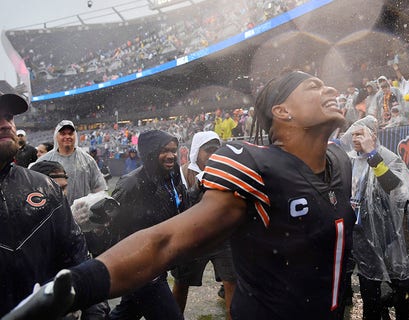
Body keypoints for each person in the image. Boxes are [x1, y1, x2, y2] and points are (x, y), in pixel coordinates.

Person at [7, 71, 355, 320]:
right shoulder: (255, 166)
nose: (330, 90)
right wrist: (78, 286)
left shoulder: (340, 160)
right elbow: (166, 240)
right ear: (282, 111)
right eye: (314, 86)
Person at [0, 86, 109, 319]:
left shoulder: (45, 186)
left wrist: (95, 312)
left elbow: (77, 258)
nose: (6, 124)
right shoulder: (46, 163)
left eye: (9, 116)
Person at [341, 116, 409, 320]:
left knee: (404, 290)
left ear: (373, 135)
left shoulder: (387, 157)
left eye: (360, 134)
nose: (356, 139)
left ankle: (389, 307)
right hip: (361, 238)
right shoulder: (349, 159)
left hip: (388, 236)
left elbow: (396, 189)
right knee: (369, 294)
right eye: (353, 134)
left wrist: (372, 155)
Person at [106, 129, 190, 320]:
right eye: (165, 150)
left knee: (128, 311)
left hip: (158, 261)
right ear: (151, 152)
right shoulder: (131, 184)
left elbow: (181, 209)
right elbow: (113, 227)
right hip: (140, 266)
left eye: (174, 150)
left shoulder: (173, 176)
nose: (171, 155)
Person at [172, 131, 237, 317]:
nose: (212, 154)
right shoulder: (183, 173)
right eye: (208, 150)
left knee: (231, 282)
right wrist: (197, 187)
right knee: (181, 283)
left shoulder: (227, 169)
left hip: (222, 237)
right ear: (197, 151)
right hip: (192, 238)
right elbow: (181, 206)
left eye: (216, 149)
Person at [35, 120, 107, 204]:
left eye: (70, 133)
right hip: (53, 213)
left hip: (82, 212)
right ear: (56, 136)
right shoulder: (44, 161)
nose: (67, 136)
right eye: (63, 134)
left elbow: (99, 188)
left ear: (75, 136)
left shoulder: (87, 160)